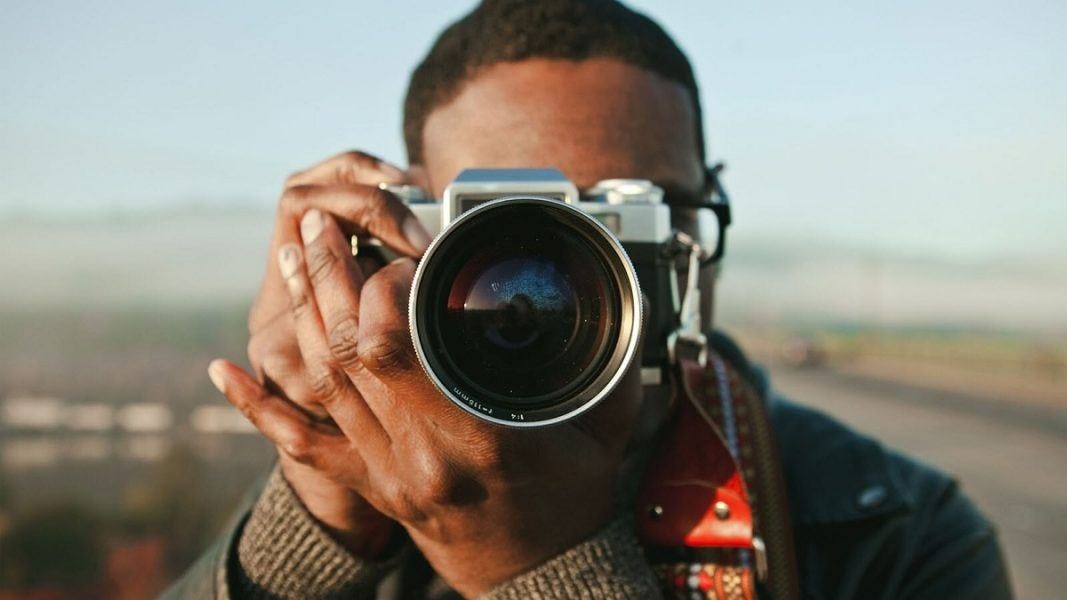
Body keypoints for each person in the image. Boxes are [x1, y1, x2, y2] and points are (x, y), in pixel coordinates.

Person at [166, 1, 1012, 598]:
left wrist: (536, 569)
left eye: (630, 218)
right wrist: (315, 530)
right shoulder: (370, 487)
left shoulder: (899, 536)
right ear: (399, 239)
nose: (572, 278)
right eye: (508, 228)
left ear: (702, 220)